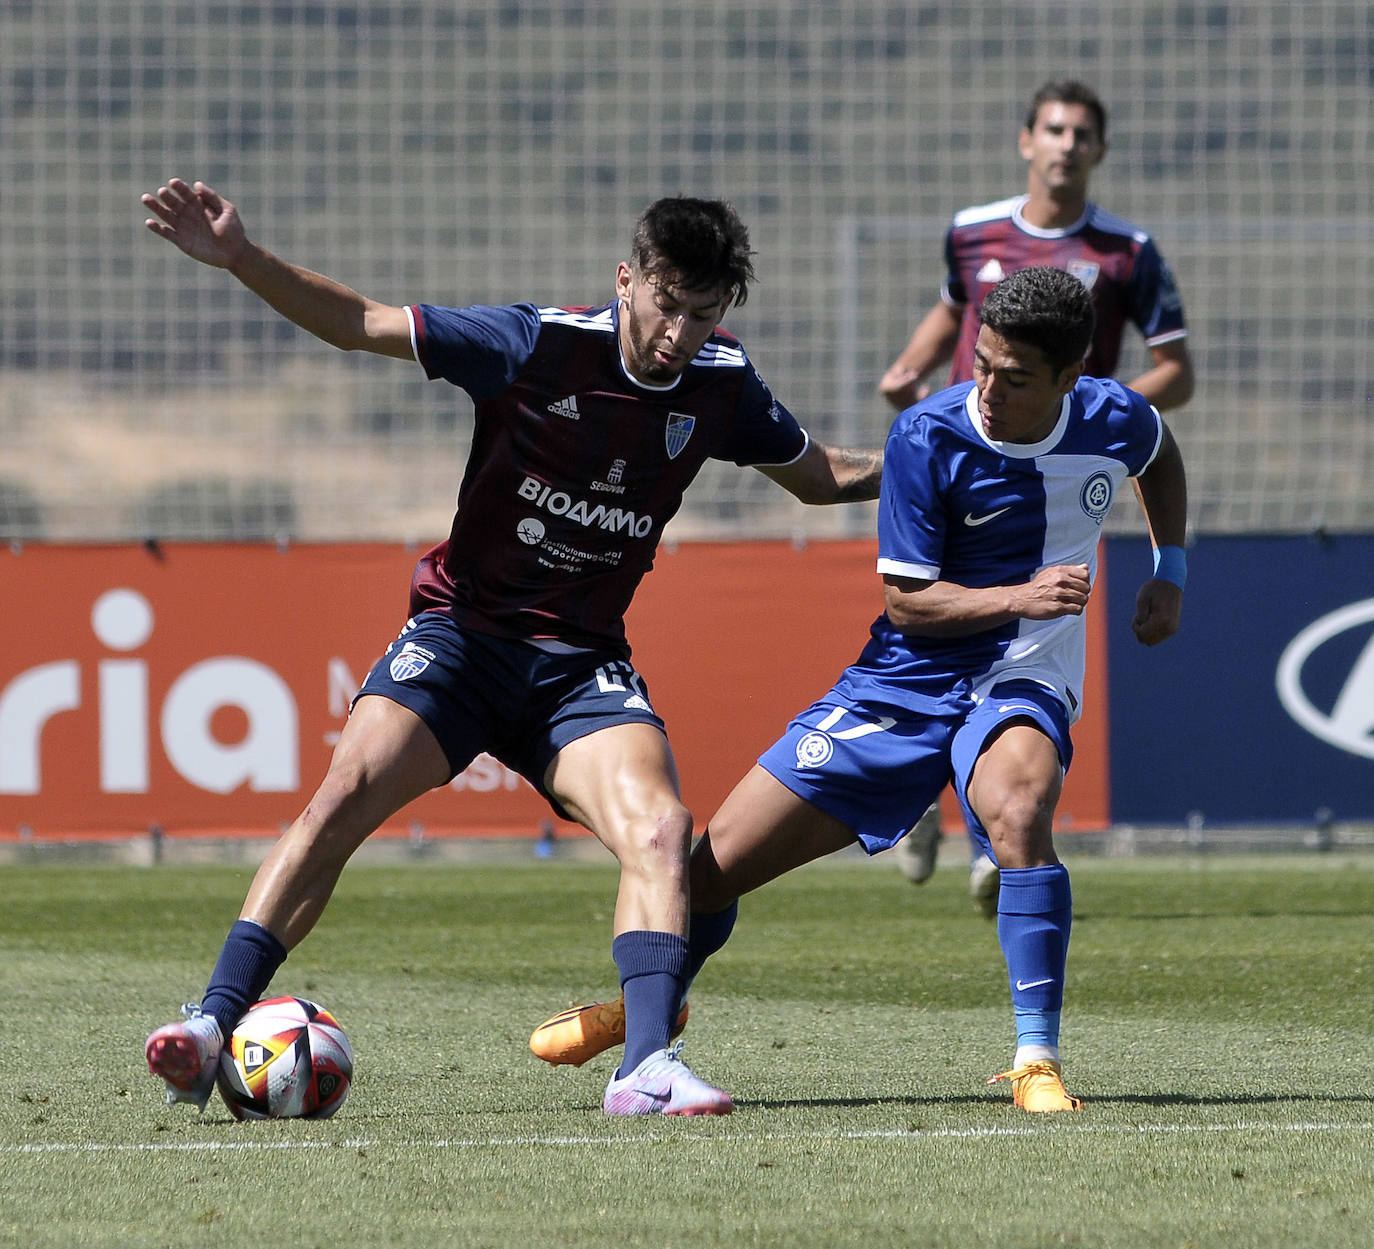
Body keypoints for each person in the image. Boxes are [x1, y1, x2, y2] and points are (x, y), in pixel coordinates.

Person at [139, 179, 883, 1118]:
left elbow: (819, 478)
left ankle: (644, 1070)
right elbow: (361, 323)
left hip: (577, 664)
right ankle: (211, 1025)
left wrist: (948, 456)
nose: (679, 334)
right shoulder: (534, 345)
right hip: (463, 636)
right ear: (627, 279)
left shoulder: (722, 384)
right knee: (341, 797)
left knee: (660, 830)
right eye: (666, 305)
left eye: (703, 314)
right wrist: (242, 257)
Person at [531, 266, 1188, 1113]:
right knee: (707, 873)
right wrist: (1021, 594)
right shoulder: (928, 434)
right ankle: (652, 1006)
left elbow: (1160, 454)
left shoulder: (1112, 415)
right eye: (980, 363)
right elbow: (909, 605)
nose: (987, 388)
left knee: (1019, 810)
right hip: (902, 683)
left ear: (1070, 377)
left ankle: (1036, 1058)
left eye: (1014, 377)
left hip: (1023, 672)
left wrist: (1169, 569)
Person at [879, 80, 1194, 909]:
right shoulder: (972, 231)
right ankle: (922, 788)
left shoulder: (1128, 251)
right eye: (1053, 128)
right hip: (960, 463)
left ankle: (995, 834)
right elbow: (951, 313)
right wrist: (909, 368)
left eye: (1083, 132)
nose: (1066, 144)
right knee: (925, 621)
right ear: (1026, 140)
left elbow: (1177, 373)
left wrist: (1095, 414)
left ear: (1100, 149)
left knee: (1020, 650)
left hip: (1053, 474)